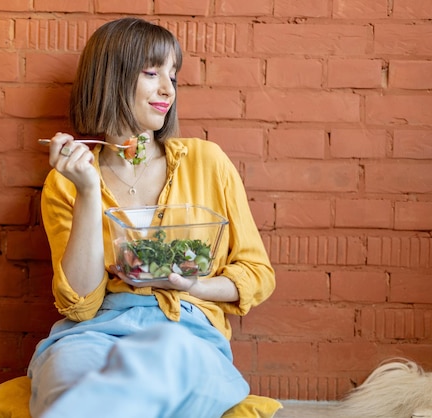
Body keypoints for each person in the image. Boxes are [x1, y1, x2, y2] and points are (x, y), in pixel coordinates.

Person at [29, 17, 276, 418]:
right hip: (97, 332)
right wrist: (89, 191)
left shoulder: (206, 161)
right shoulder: (67, 184)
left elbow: (257, 273)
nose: (168, 89)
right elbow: (80, 307)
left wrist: (192, 285)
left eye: (172, 76)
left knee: (168, 360)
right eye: (151, 73)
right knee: (67, 382)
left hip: (187, 328)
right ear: (110, 77)